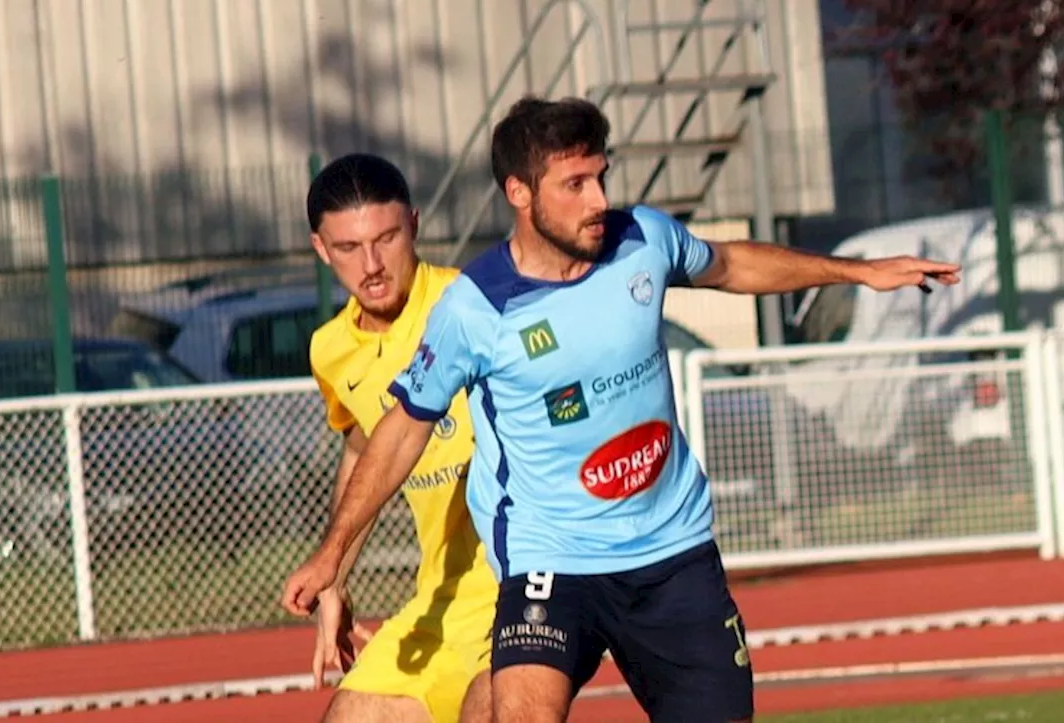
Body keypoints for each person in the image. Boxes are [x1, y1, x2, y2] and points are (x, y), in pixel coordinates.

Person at [283, 97, 962, 723]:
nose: (599, 199)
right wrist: (333, 556)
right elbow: (400, 427)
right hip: (550, 562)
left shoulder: (644, 240)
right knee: (505, 711)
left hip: (671, 553)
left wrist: (857, 271)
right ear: (519, 193)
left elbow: (731, 266)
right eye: (575, 185)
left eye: (600, 177)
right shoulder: (475, 308)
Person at [296, 152, 497, 723]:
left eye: (386, 239)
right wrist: (334, 576)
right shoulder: (331, 350)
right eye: (349, 249)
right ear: (320, 249)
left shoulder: (471, 304)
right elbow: (363, 444)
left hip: (524, 586)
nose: (372, 265)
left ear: (413, 224)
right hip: (444, 597)